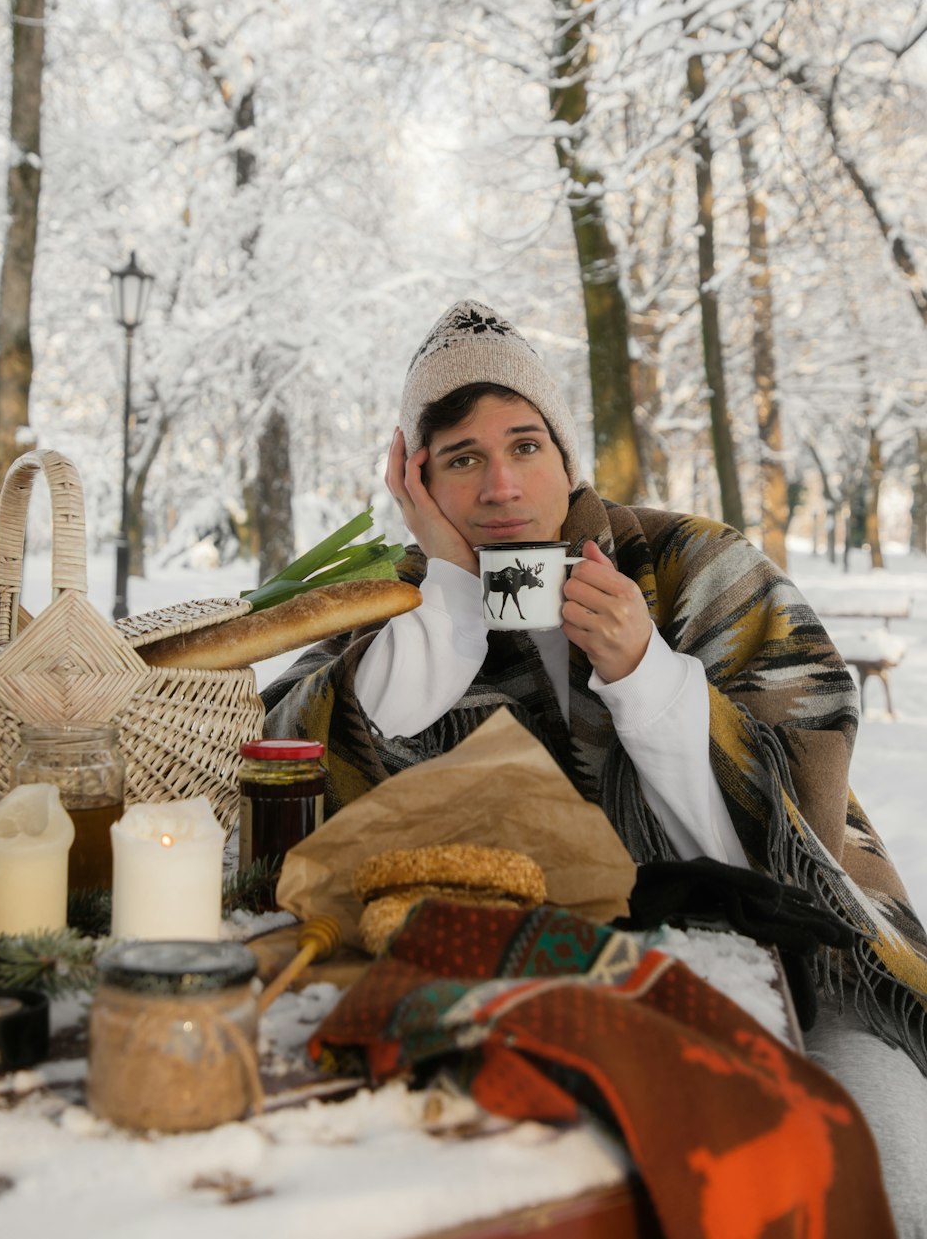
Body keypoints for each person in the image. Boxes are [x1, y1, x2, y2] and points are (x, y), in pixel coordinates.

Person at [263, 299, 927, 1234]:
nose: (501, 485)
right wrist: (448, 612)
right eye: (461, 458)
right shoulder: (388, 607)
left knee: (881, 1145)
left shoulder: (695, 565)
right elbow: (275, 772)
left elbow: (801, 802)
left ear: (566, 458)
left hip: (811, 959)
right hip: (546, 987)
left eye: (525, 445)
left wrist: (647, 677)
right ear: (417, 484)